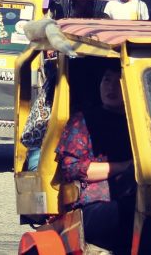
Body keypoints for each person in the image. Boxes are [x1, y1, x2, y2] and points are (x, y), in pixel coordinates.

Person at [56, 62, 135, 254]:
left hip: (138, 196)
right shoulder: (83, 120)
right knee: (130, 211)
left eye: (119, 81)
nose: (111, 87)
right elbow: (71, 168)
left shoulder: (142, 123)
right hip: (95, 205)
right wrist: (124, 167)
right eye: (107, 80)